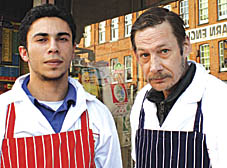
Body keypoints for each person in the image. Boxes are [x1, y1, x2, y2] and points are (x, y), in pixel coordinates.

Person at [0, 4, 122, 168]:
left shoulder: (98, 114)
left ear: (73, 50)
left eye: (62, 39)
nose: (53, 48)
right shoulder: (3, 112)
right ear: (24, 53)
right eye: (42, 40)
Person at [130, 7, 227, 168]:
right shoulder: (141, 100)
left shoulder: (219, 100)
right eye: (145, 55)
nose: (154, 67)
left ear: (186, 46)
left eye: (164, 51)